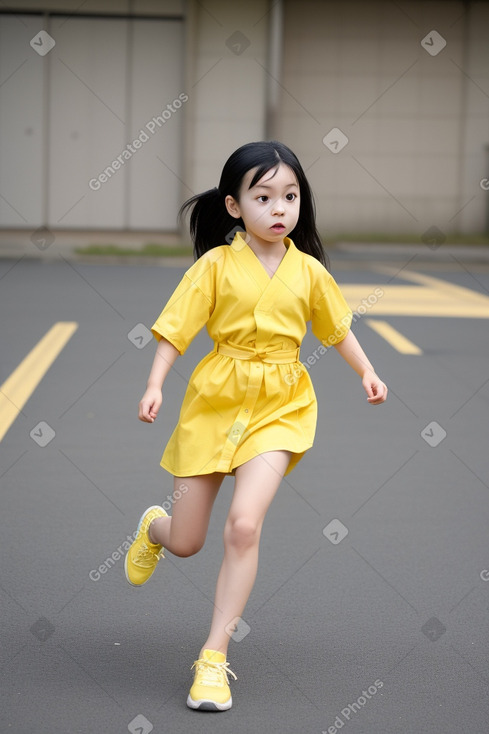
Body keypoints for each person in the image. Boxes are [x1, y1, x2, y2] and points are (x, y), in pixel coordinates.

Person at [124, 140, 387, 712]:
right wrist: (154, 383)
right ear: (234, 206)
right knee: (189, 541)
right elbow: (176, 327)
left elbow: (336, 328)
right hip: (214, 401)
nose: (279, 208)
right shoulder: (215, 265)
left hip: (281, 406)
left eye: (290, 196)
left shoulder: (309, 271)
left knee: (244, 527)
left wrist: (366, 371)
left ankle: (214, 657)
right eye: (263, 196)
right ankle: (154, 528)